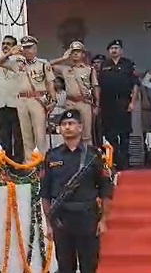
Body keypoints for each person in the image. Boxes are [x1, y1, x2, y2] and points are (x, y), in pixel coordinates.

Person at [40, 109, 113, 273]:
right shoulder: (52, 156)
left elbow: (106, 189)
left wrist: (103, 220)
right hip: (61, 219)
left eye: (71, 124)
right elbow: (45, 193)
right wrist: (49, 224)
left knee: (89, 265)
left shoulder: (93, 155)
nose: (67, 127)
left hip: (87, 217)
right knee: (65, 266)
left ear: (80, 127)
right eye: (64, 124)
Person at [0, 35, 56, 162]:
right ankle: (29, 163)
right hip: (22, 101)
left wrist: (53, 101)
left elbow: (50, 83)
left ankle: (41, 162)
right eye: (25, 48)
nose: (27, 51)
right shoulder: (17, 63)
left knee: (39, 134)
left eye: (30, 48)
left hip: (37, 100)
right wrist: (10, 53)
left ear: (35, 49)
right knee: (26, 134)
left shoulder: (43, 64)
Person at [97, 40, 139, 171]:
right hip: (107, 103)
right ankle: (113, 162)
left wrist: (133, 103)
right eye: (111, 48)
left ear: (121, 50)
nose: (114, 50)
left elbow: (135, 85)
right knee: (110, 134)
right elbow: (98, 86)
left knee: (125, 134)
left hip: (123, 102)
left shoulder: (127, 64)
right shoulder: (104, 64)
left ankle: (125, 163)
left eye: (116, 48)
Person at [50, 41, 100, 146]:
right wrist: (63, 58)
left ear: (83, 54)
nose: (76, 54)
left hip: (84, 102)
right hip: (70, 102)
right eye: (73, 52)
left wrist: (97, 105)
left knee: (86, 134)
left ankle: (88, 160)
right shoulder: (65, 69)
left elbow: (95, 86)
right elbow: (48, 65)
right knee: (70, 132)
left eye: (78, 52)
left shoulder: (89, 70)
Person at [0, 35, 23, 163]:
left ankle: (19, 164)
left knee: (18, 137)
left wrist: (12, 53)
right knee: (4, 137)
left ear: (14, 46)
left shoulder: (20, 62)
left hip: (16, 104)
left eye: (8, 44)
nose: (5, 46)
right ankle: (7, 164)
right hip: (1, 104)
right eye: (3, 44)